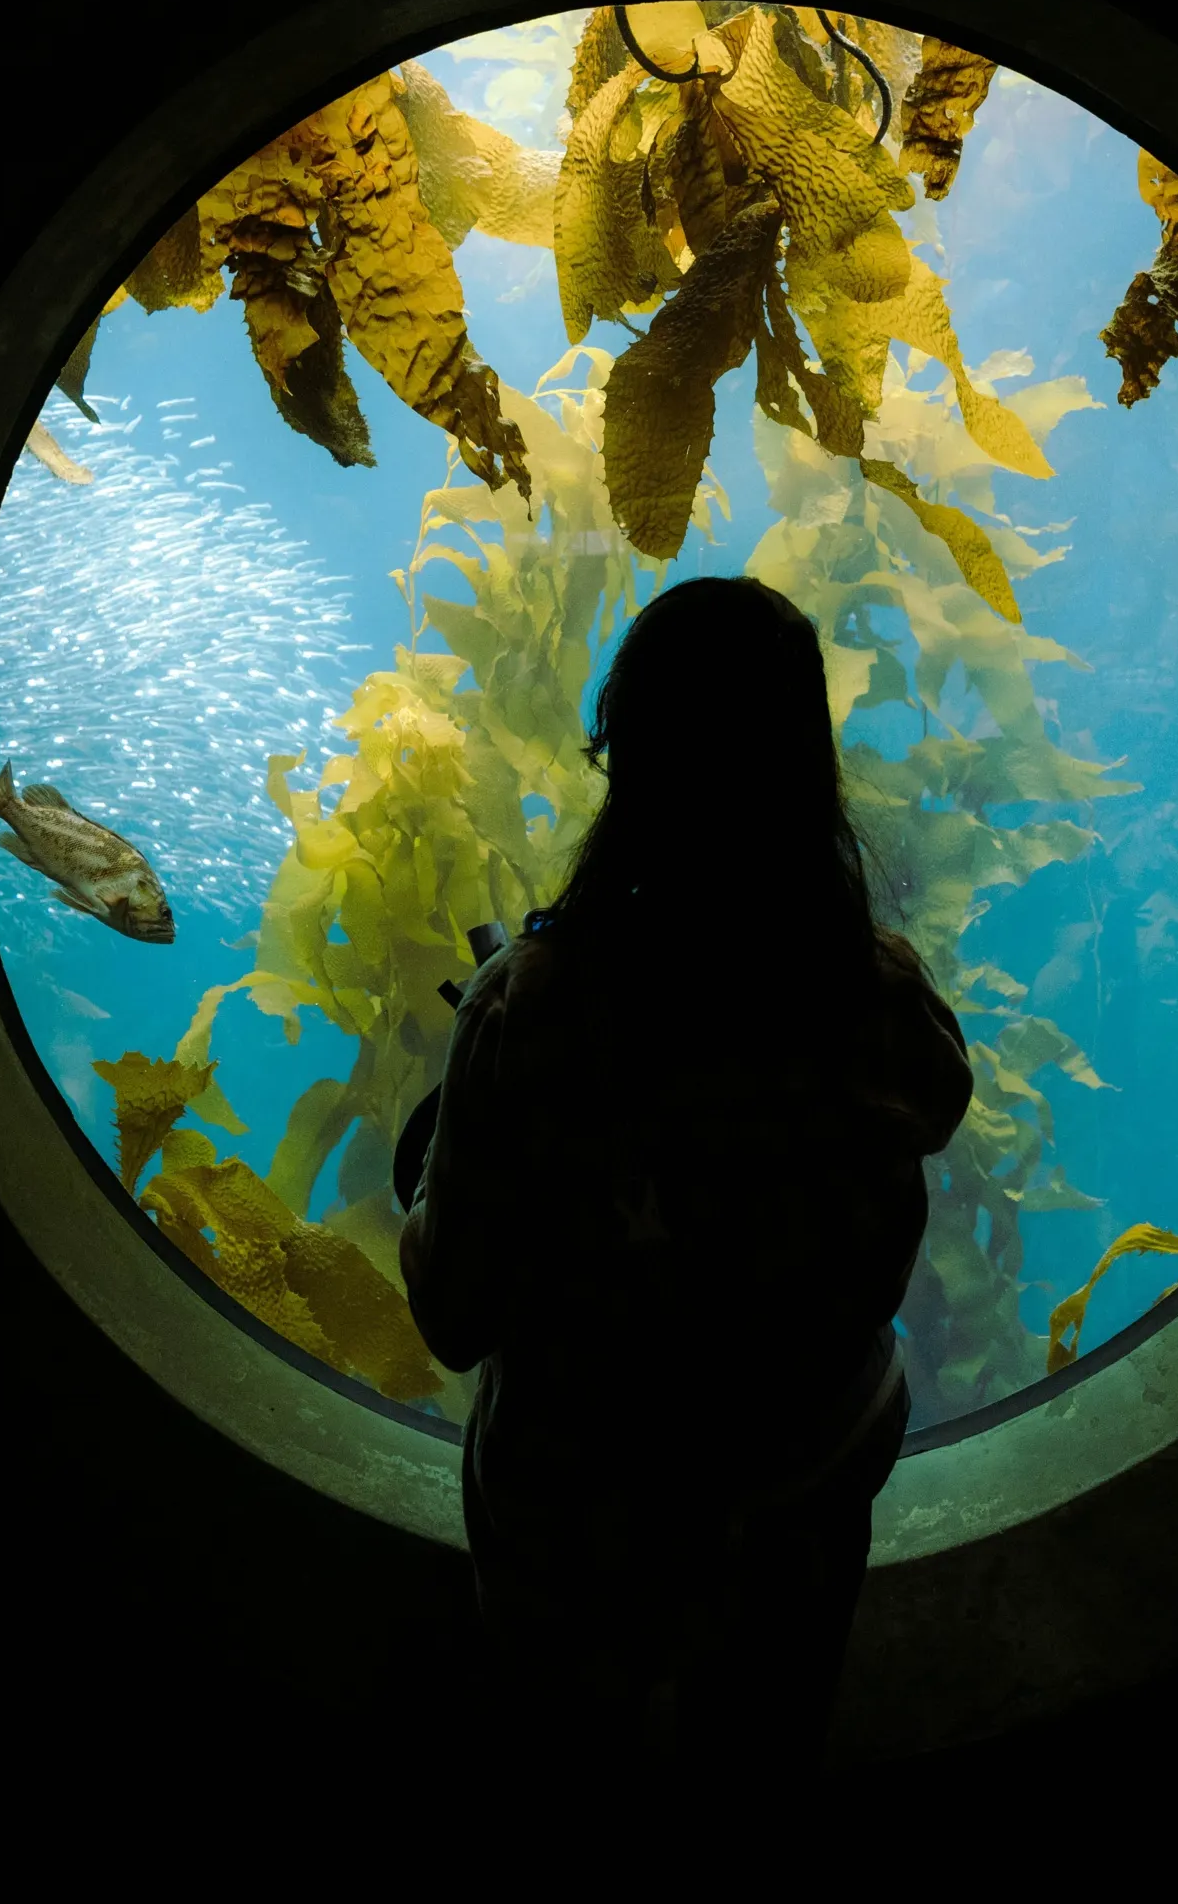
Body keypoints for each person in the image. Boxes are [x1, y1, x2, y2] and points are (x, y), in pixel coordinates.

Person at [397, 575, 973, 1782]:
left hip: (572, 1523)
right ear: (810, 769)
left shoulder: (527, 1010)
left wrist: (429, 1179)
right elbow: (928, 1106)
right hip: (802, 1499)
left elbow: (453, 1316)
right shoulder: (880, 996)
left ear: (625, 763)